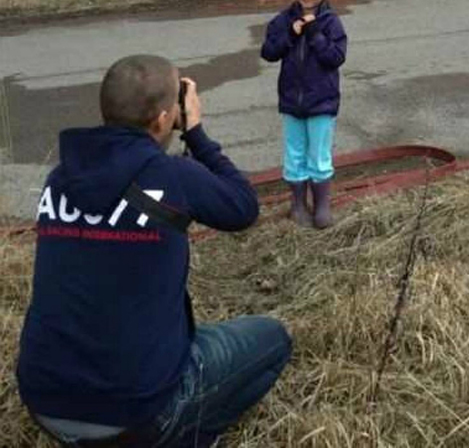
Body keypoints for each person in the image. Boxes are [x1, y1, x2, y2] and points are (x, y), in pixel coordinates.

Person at [16, 54, 292, 448]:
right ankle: (188, 436)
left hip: (45, 402)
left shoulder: (60, 179)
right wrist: (195, 132)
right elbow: (243, 208)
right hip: (139, 415)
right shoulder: (172, 176)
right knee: (274, 340)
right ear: (165, 119)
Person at [261, 0, 347, 230]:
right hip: (291, 103)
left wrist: (314, 35)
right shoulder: (282, 20)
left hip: (322, 102)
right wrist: (290, 34)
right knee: (294, 154)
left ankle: (322, 205)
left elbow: (336, 57)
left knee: (319, 155)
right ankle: (298, 203)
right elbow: (268, 52)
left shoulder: (331, 23)